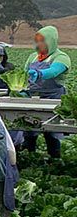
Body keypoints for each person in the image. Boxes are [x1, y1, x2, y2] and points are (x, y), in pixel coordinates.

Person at [22, 25, 70, 160]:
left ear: (51, 41)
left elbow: (54, 71)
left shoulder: (61, 57)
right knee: (29, 130)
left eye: (42, 40)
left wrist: (40, 73)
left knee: (52, 133)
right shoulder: (33, 57)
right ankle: (28, 159)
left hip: (53, 98)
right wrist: (22, 90)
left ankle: (55, 161)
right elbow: (24, 74)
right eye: (37, 41)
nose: (39, 44)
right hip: (33, 98)